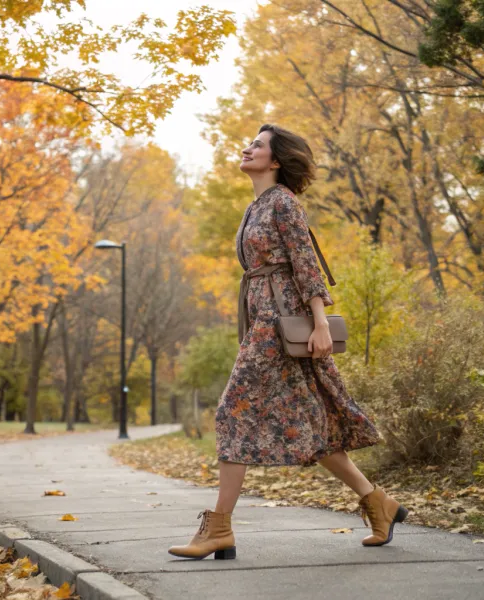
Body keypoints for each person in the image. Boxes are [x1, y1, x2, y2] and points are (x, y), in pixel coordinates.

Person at [168, 124, 407, 560]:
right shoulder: (255, 206)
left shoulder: (283, 203)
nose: (247, 147)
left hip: (281, 324)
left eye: (257, 145)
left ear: (275, 160)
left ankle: (218, 528)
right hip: (263, 321)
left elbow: (306, 264)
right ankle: (379, 503)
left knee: (231, 413)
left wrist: (319, 323)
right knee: (309, 429)